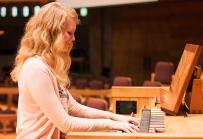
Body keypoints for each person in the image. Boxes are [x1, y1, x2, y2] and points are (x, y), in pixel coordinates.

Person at [10, 2, 140, 139]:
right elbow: (65, 123)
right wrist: (110, 124)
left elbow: (75, 108)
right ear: (52, 33)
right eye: (69, 33)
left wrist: (116, 118)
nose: (74, 38)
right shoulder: (36, 69)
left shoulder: (48, 66)